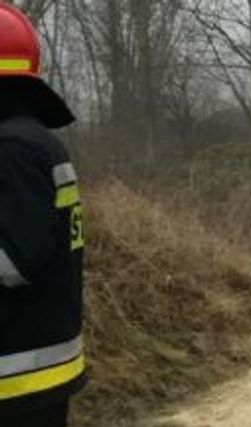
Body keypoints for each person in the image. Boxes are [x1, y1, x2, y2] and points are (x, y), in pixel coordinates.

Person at [0, 4, 87, 426]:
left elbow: (14, 261)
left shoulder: (10, 150)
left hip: (17, 378)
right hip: (34, 371)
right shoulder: (32, 141)